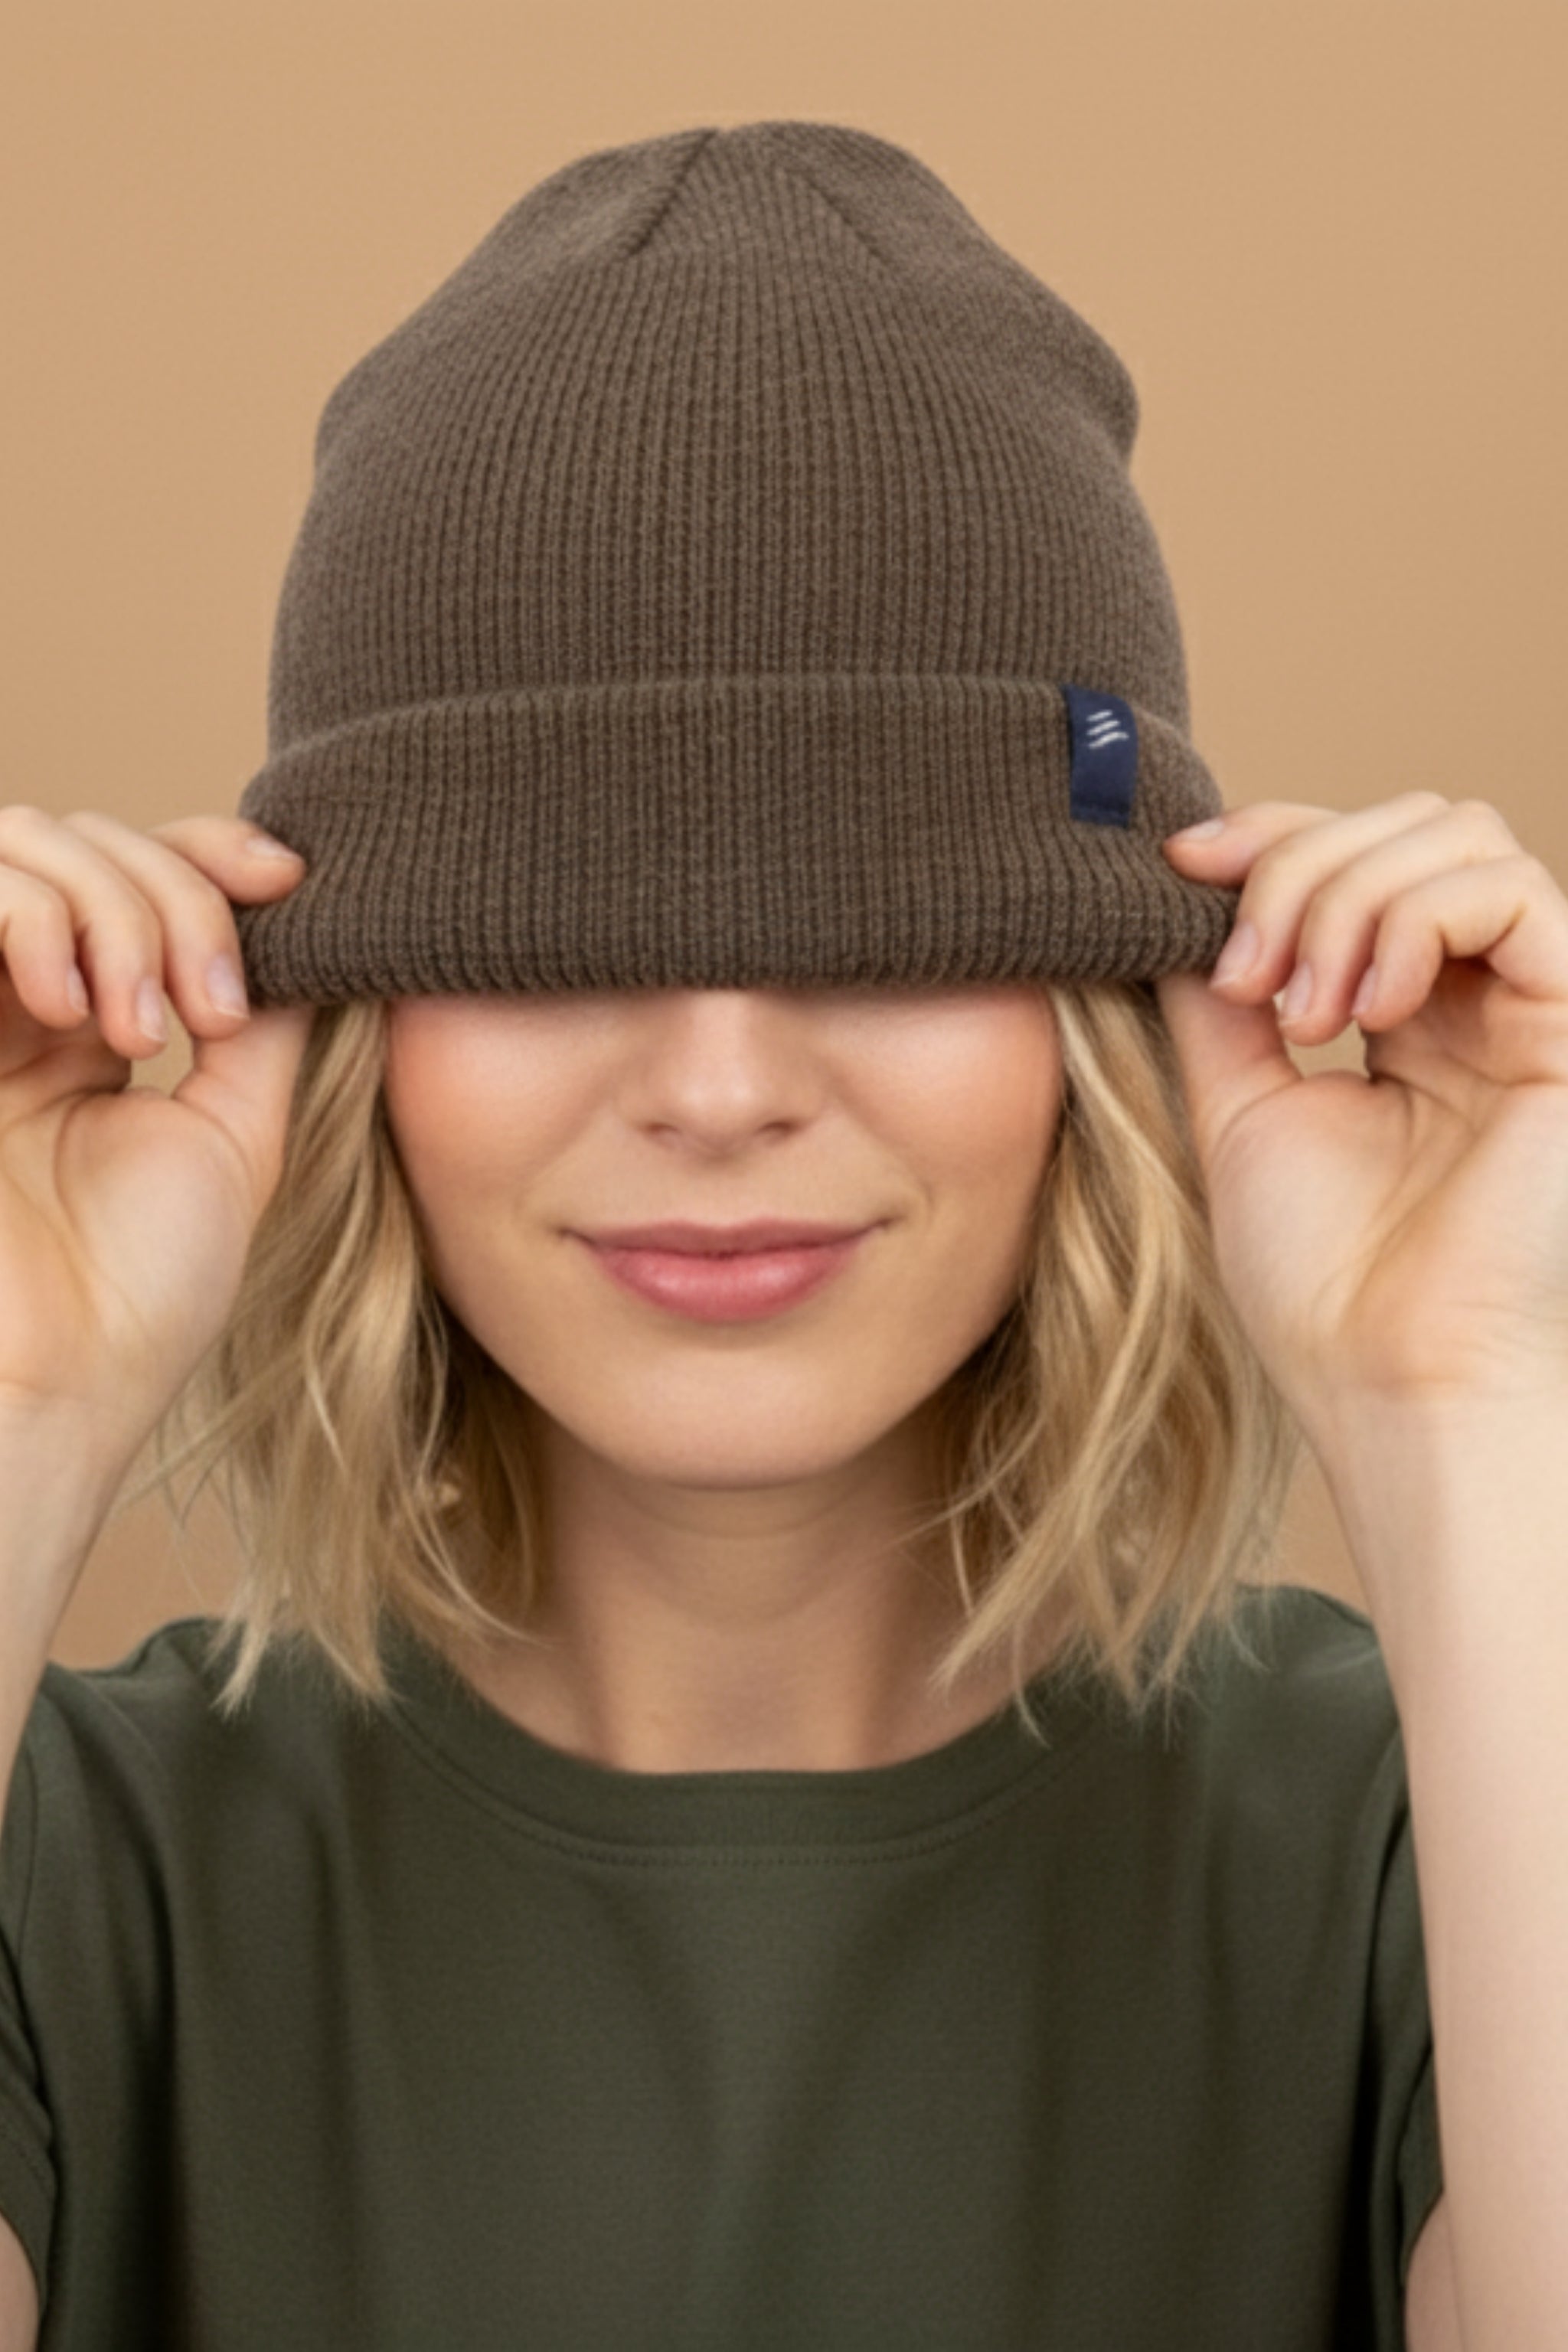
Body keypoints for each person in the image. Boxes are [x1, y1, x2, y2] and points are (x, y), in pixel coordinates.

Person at [0, 120, 1468, 2349]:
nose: (715, 1089)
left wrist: (1467, 1399)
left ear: (1105, 1005)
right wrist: (11, 1401)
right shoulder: (70, 1864)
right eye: (555, 931)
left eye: (883, 927)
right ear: (349, 1015)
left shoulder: (1435, 1829)